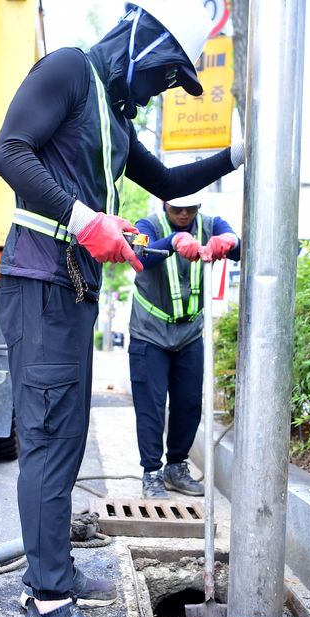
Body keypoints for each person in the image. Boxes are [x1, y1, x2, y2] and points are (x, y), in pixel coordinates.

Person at [0, 0, 245, 617]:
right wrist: (85, 219)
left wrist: (238, 153)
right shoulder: (70, 70)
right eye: (164, 75)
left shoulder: (114, 117)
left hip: (71, 292)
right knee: (49, 441)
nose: (162, 91)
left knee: (67, 437)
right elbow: (9, 152)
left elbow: (168, 181)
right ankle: (47, 610)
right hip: (41, 284)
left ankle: (51, 575)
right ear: (145, 44)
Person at [128, 192, 240, 499]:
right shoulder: (147, 225)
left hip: (189, 334)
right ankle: (152, 473)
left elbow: (239, 246)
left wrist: (229, 241)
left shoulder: (211, 225)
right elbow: (139, 255)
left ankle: (176, 468)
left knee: (188, 404)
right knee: (150, 406)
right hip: (149, 333)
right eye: (178, 208)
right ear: (165, 204)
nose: (184, 214)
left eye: (190, 208)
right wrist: (172, 242)